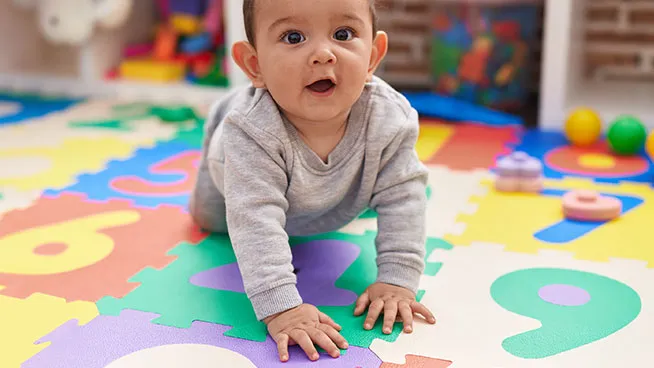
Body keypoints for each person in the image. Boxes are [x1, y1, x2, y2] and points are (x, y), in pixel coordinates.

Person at [190, 0, 436, 362]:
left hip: (332, 194)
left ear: (372, 56)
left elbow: (404, 199)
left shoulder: (389, 118)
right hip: (232, 173)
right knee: (211, 221)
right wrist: (282, 308)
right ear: (254, 65)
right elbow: (254, 220)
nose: (323, 54)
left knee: (391, 185)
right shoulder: (251, 131)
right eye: (294, 37)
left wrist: (398, 279)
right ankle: (223, 112)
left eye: (343, 34)